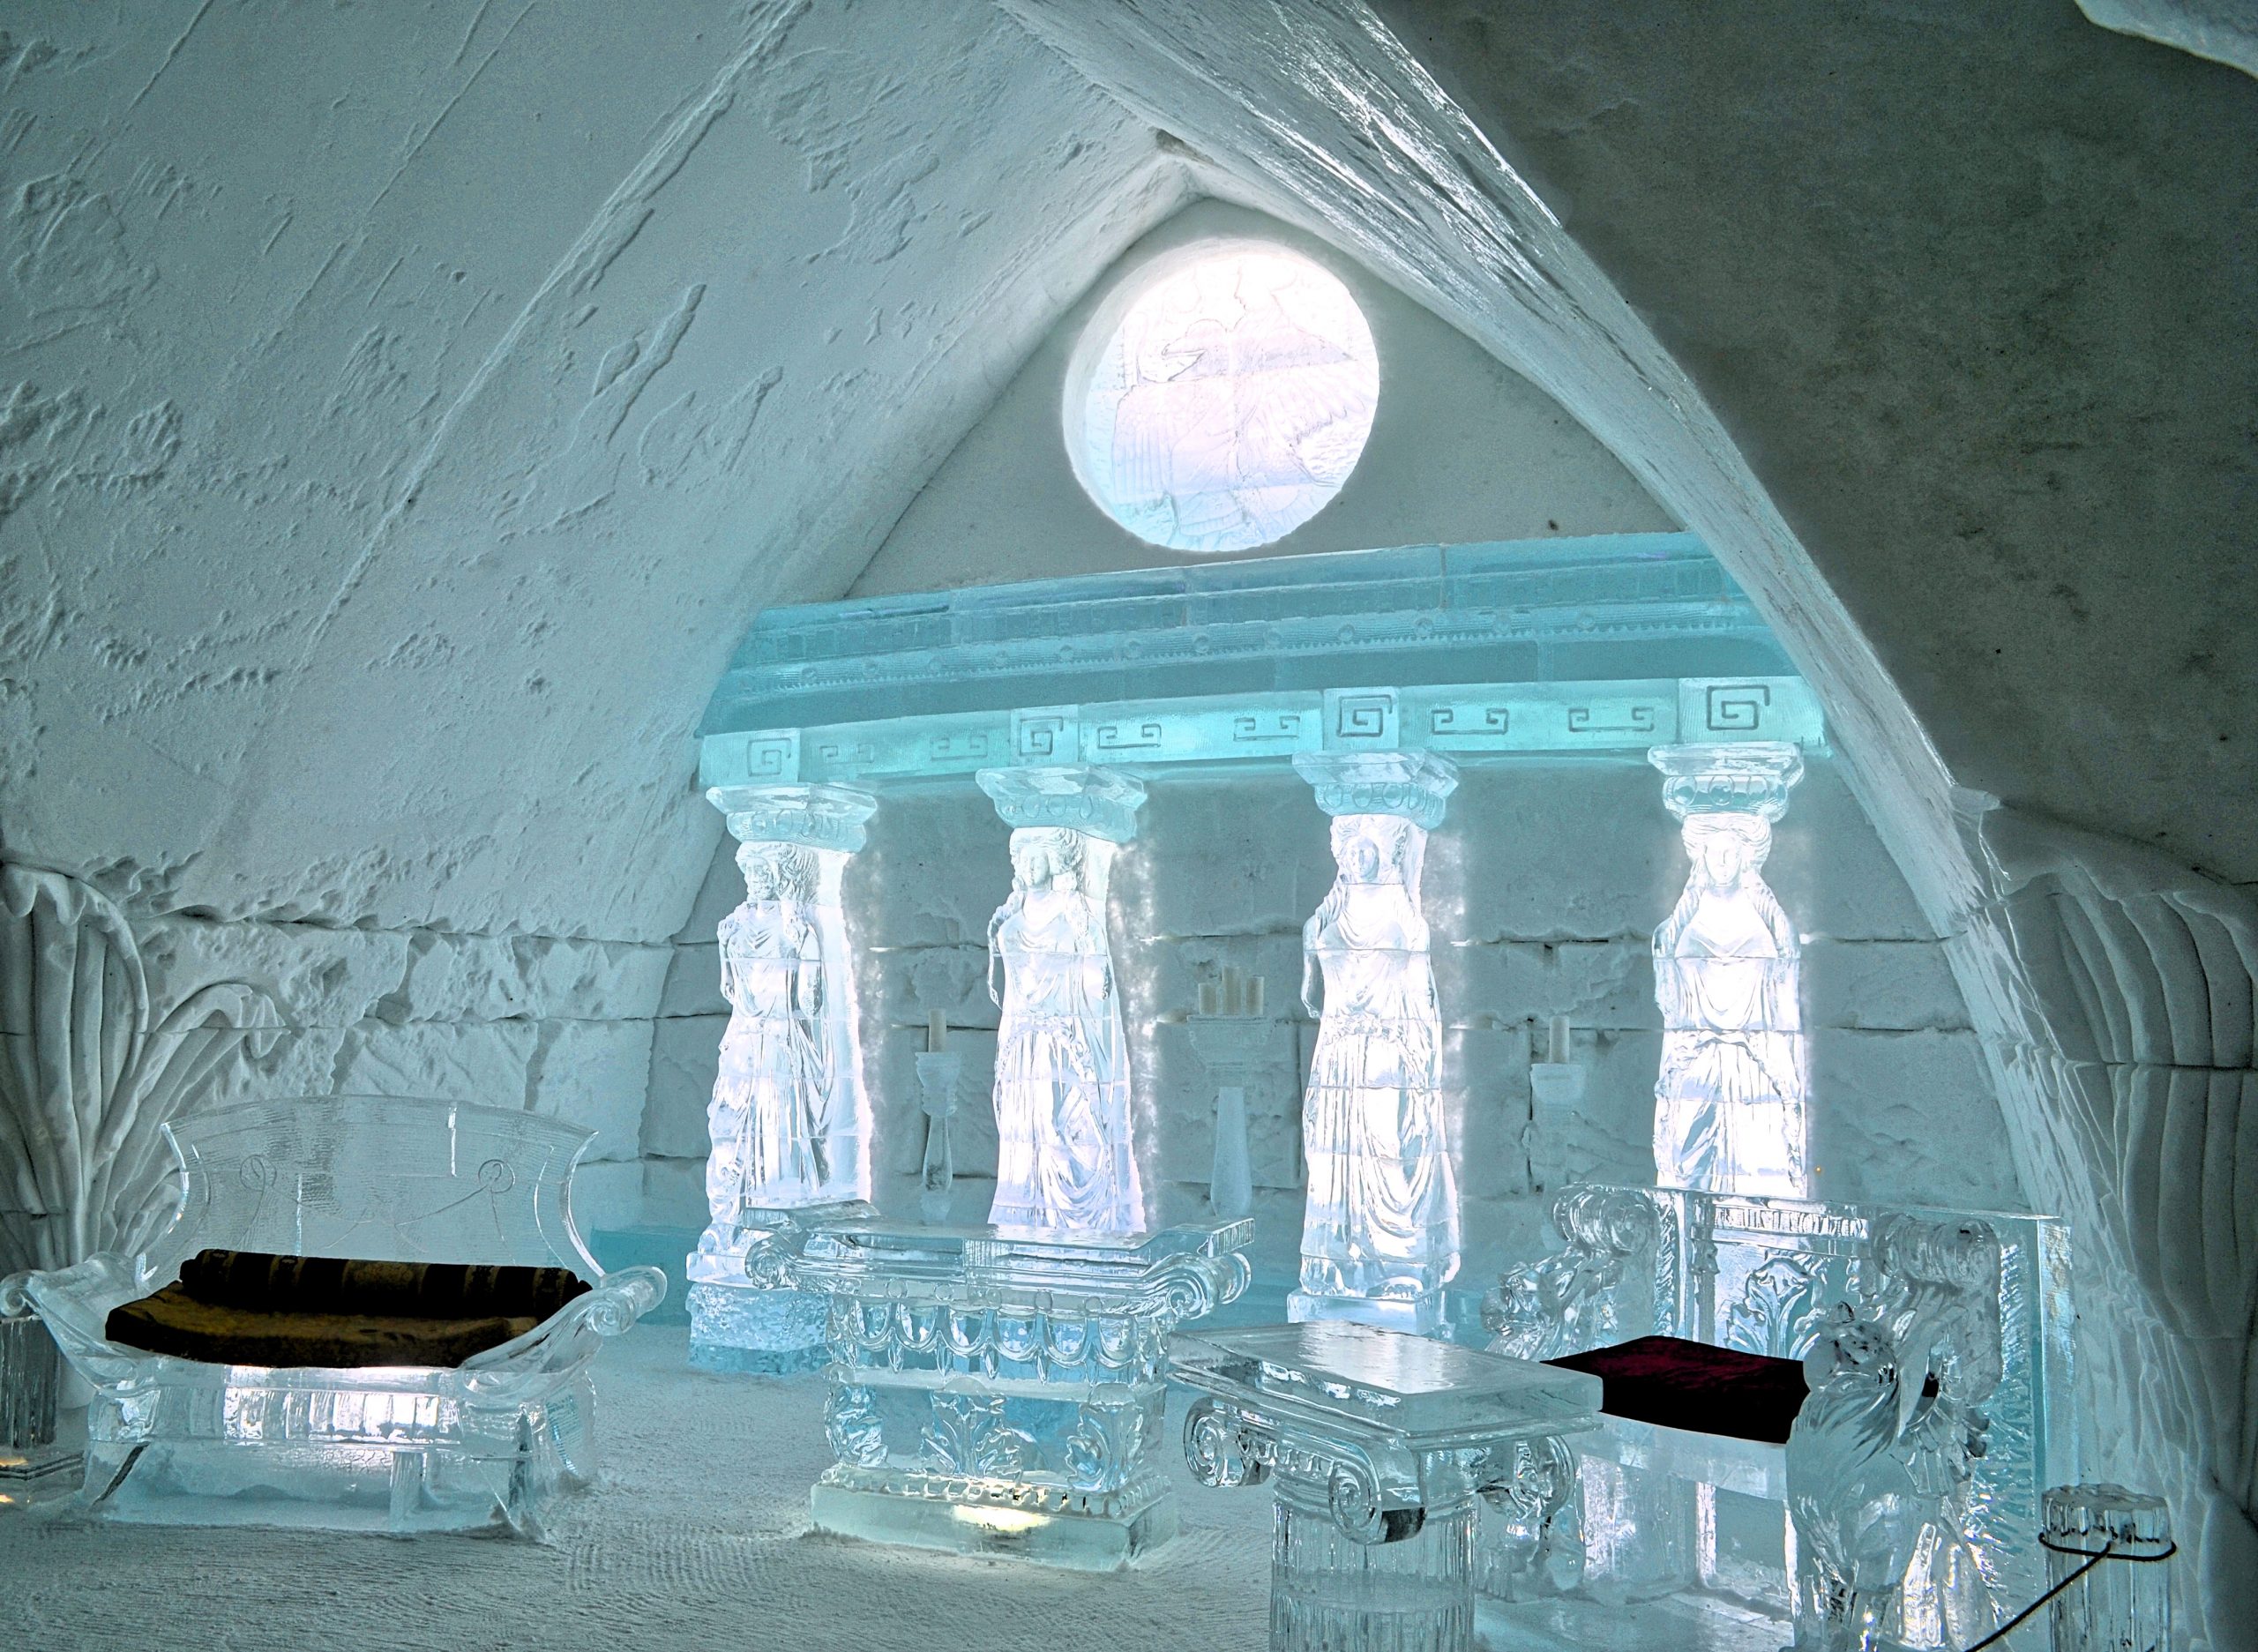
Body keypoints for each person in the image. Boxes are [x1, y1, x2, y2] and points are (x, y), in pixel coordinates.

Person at [1298, 814, 1458, 1304]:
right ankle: (1341, 1261)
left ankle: (1398, 1258)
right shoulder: (1329, 915)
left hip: (1387, 1048)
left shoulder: (1402, 913)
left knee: (1388, 1148)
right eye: (1350, 851)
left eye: (1367, 849)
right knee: (1331, 1159)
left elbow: (1420, 987)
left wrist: (1419, 1050)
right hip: (1339, 1049)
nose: (1357, 857)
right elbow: (1313, 989)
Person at [987, 826, 1141, 1234]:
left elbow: (1098, 986)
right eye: (1021, 857)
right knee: (1028, 1137)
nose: (1027, 864)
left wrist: (1088, 934)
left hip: (1067, 1046)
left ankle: (1081, 1227)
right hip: (1024, 1049)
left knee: (1073, 1133)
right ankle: (1029, 1227)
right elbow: (1011, 993)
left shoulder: (1075, 917)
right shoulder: (1009, 924)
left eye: (1036, 856)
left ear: (1055, 861)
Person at [1652, 811, 1809, 1196]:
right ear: (1701, 857)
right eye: (1714, 852)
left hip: (1754, 1056)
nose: (1722, 861)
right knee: (1685, 1152)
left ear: (1745, 859)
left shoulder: (1770, 924)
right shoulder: (1679, 925)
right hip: (1696, 1053)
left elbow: (1784, 988)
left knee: (1757, 1154)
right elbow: (1668, 990)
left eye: (1731, 853)